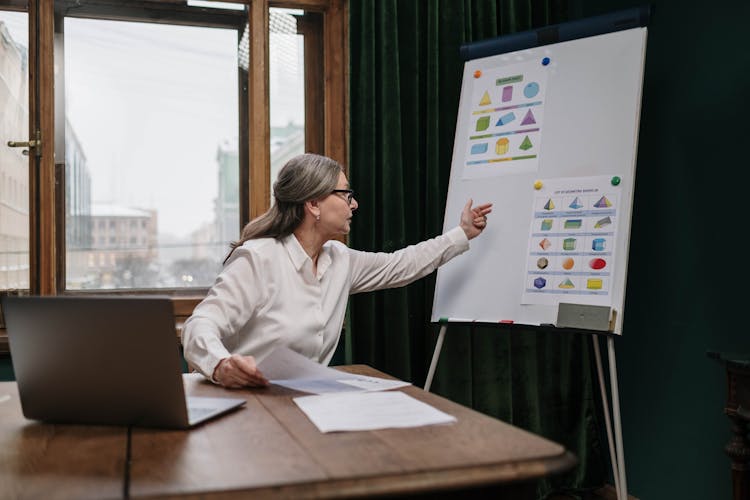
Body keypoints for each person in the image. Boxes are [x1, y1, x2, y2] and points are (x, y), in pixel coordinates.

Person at [181, 153, 492, 388]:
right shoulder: (258, 259)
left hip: (308, 404)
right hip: (249, 406)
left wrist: (461, 233)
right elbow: (201, 324)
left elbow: (401, 265)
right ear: (314, 204)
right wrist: (222, 364)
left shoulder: (340, 259)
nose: (354, 205)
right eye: (346, 195)